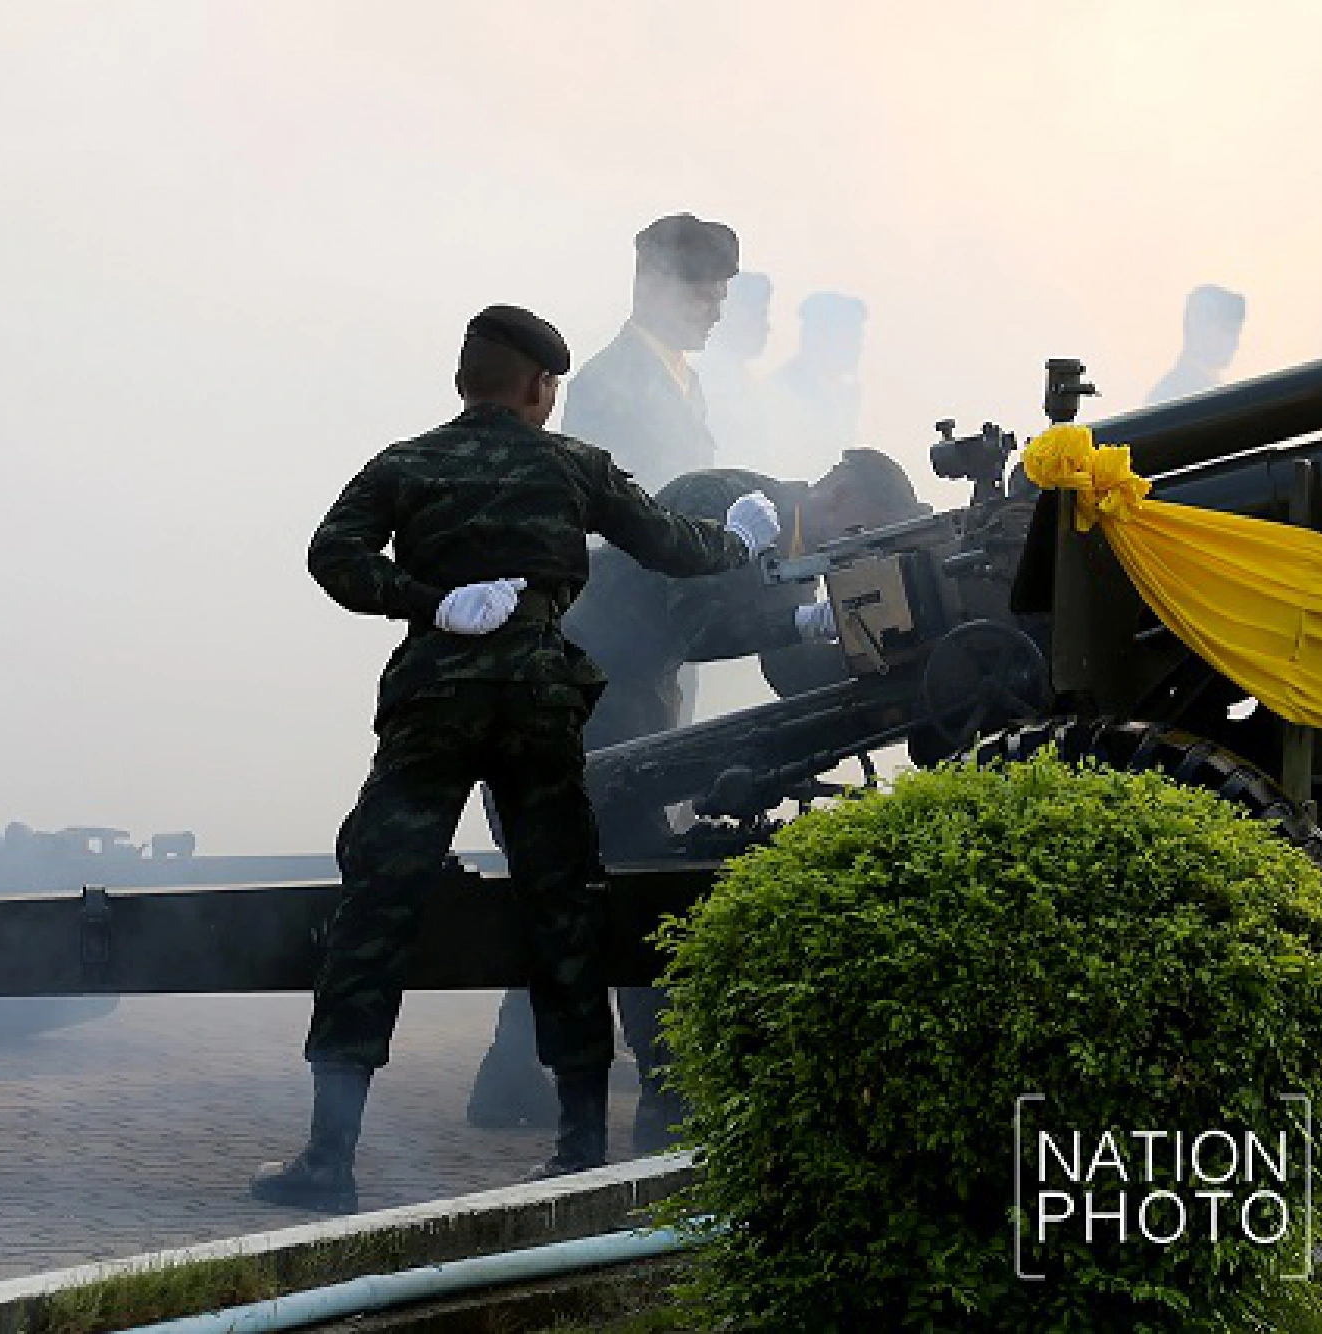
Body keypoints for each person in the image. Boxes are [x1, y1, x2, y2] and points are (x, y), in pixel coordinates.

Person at [248, 305, 780, 1213]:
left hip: (433, 700)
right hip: (538, 700)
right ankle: (579, 1151)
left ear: (465, 379)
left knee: (376, 907)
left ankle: (328, 1161)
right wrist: (744, 541)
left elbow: (330, 556)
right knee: (563, 910)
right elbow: (669, 548)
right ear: (540, 388)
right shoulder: (573, 466)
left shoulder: (405, 464)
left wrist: (430, 600)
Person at [467, 450, 930, 1148]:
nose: (850, 555)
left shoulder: (793, 551)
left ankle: (508, 1086)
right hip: (571, 705)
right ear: (839, 495)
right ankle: (667, 1107)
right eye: (860, 533)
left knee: (585, 892)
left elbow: (790, 669)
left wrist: (893, 674)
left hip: (596, 708)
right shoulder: (728, 500)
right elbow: (699, 611)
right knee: (641, 897)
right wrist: (805, 625)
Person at [563, 213, 738, 492]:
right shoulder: (602, 386)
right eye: (704, 299)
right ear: (655, 289)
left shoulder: (686, 380)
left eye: (720, 300)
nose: (716, 315)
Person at [762, 291, 867, 482]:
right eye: (851, 337)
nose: (859, 347)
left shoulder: (843, 393)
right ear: (818, 337)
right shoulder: (782, 390)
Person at [699, 270, 773, 465]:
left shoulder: (743, 379)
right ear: (728, 316)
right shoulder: (709, 381)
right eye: (758, 316)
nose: (766, 327)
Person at [1145, 284, 1247, 406]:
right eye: (1227, 330)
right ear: (1197, 325)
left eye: (1236, 333)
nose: (1235, 342)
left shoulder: (1170, 391)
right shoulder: (1177, 394)